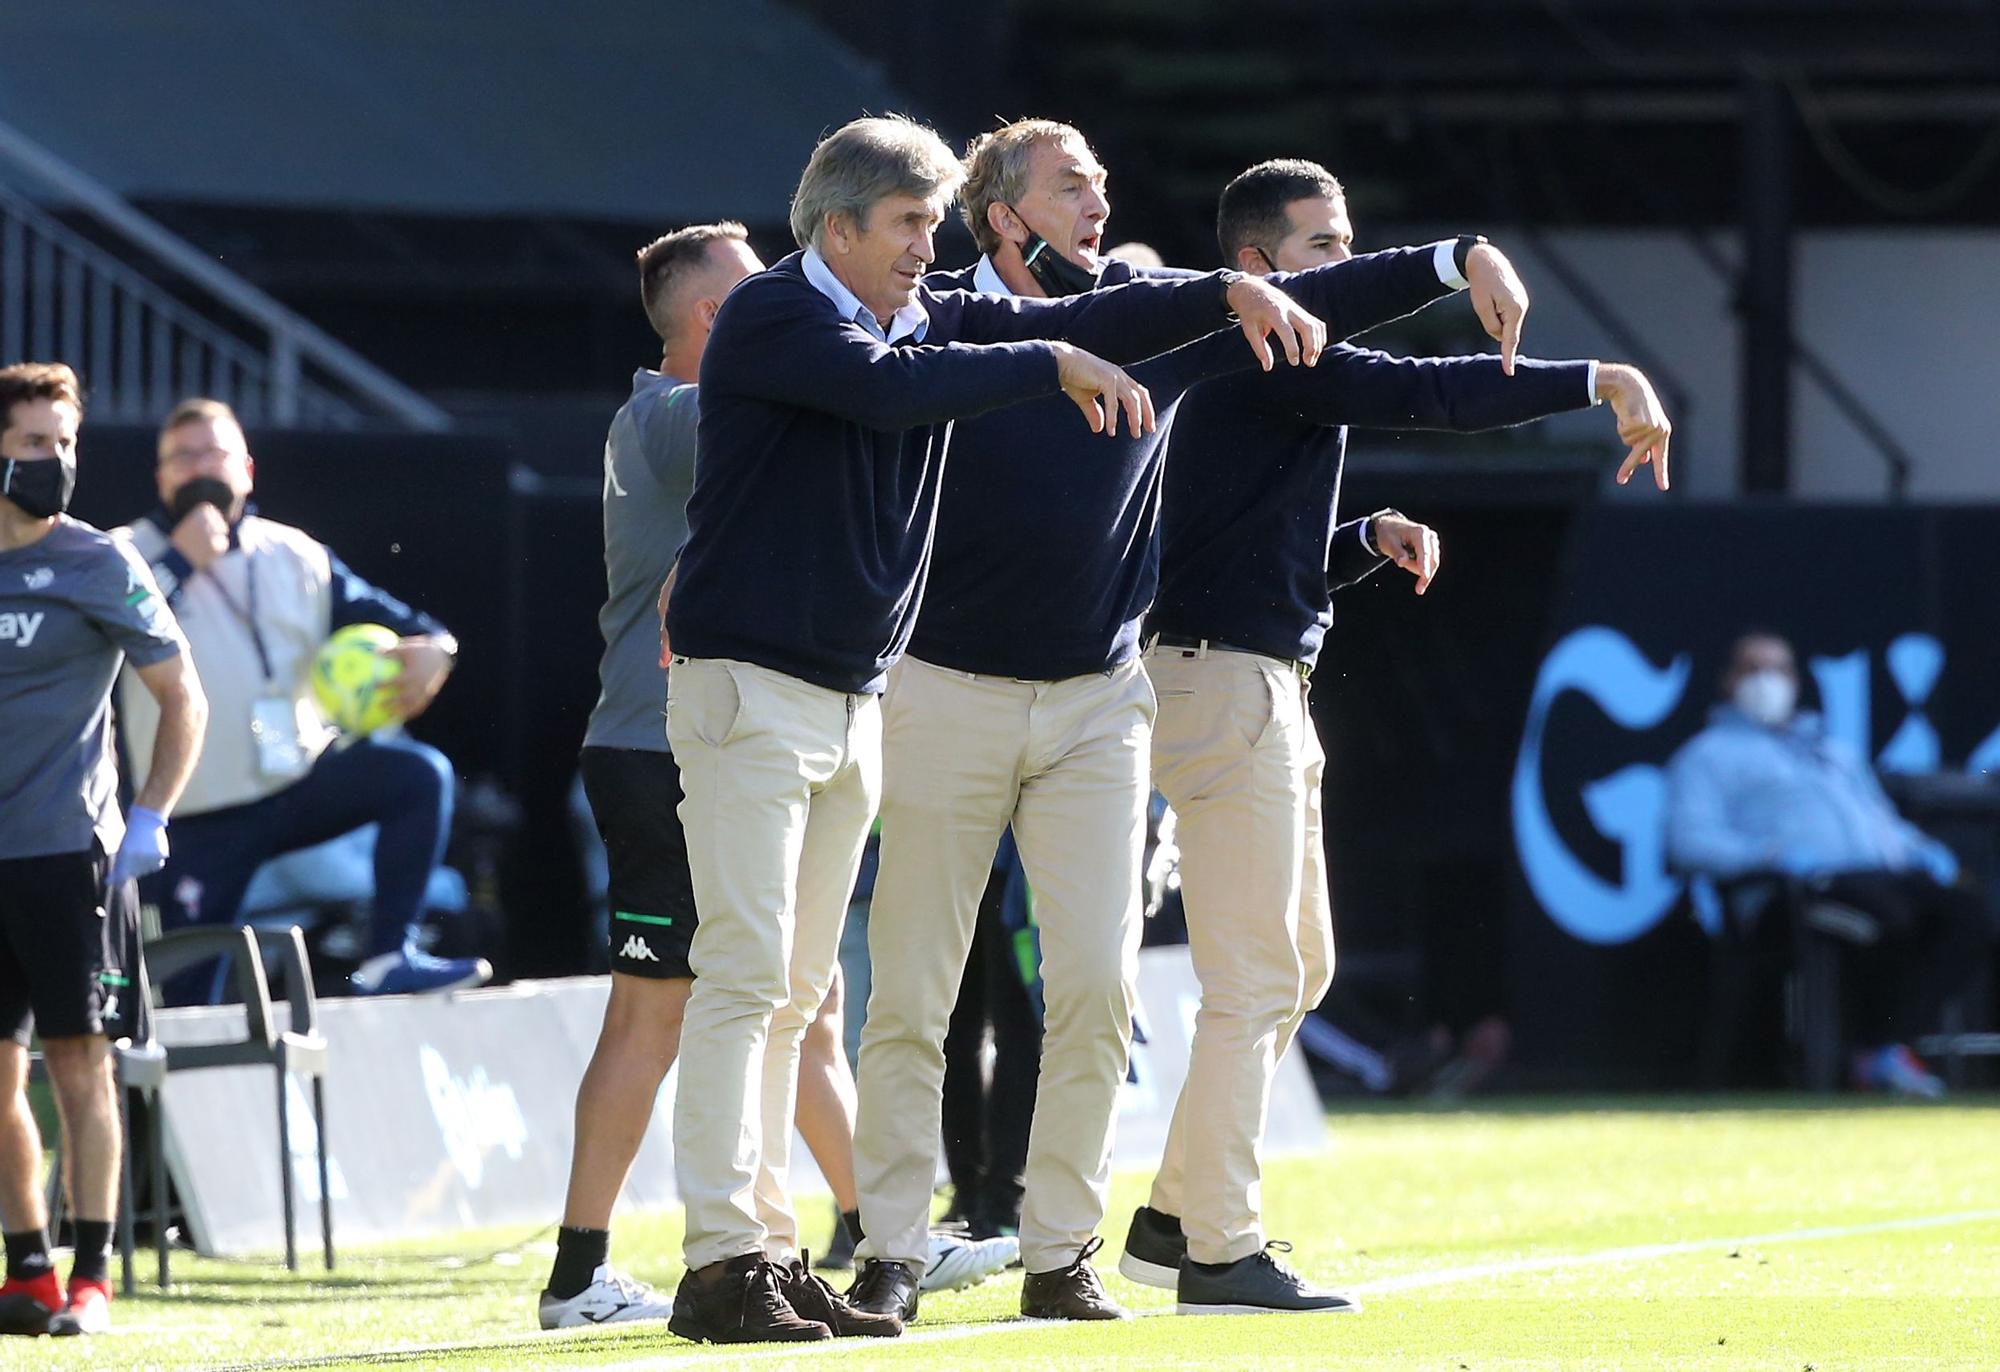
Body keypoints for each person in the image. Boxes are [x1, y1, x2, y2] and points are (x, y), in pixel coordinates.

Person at [660, 112, 1329, 1345]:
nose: (929, 245)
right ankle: (738, 1257)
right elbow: (888, 392)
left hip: (856, 696)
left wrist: (1391, 271)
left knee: (812, 986)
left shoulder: (912, 316)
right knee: (768, 981)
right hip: (769, 687)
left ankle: (849, 1250)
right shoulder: (779, 313)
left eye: (933, 221)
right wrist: (1052, 364)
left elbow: (1064, 330)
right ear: (839, 223)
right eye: (909, 223)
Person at [851, 119, 1530, 1325]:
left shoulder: (1137, 310)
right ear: (1003, 216)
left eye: (1104, 183)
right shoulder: (943, 317)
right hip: (945, 689)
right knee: (914, 989)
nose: (1097, 202)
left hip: (1101, 700)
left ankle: (1061, 1255)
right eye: (1071, 188)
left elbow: (1305, 298)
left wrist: (1448, 258)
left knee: (1098, 995)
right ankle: (893, 1245)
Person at [1118, 157, 1674, 1315]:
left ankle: (1175, 1215)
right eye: (1325, 248)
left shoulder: (1257, 358)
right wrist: (1598, 375)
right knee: (1258, 975)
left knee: (1297, 969)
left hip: (1248, 677)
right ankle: (1216, 1247)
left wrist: (1356, 533)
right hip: (1221, 688)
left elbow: (1229, 551)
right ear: (1257, 264)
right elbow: (1433, 394)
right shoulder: (1260, 341)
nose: (1343, 266)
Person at [538, 222, 1013, 1330]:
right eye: (764, 296)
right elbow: (853, 401)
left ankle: (870, 1227)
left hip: (722, 733)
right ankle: (579, 1269)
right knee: (657, 1009)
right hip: (662, 741)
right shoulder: (670, 415)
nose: (793, 310)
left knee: (799, 999)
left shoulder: (706, 404)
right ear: (718, 320)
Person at [116, 399, 485, 1000]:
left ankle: (391, 953)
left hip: (297, 781)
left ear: (248, 469)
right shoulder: (122, 554)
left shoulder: (294, 552)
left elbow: (408, 623)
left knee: (419, 777)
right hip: (199, 814)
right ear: (160, 477)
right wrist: (181, 560)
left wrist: (438, 649)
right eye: (183, 457)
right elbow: (111, 636)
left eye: (215, 453)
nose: (200, 468)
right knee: (189, 1001)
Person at [0, 362, 207, 1339]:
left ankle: (92, 1274)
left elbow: (182, 697)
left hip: (67, 854)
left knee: (80, 1064)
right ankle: (28, 1271)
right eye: (37, 443)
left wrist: (151, 813)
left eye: (66, 443)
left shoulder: (98, 561)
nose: (57, 462)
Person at [1665, 631, 1989, 1096]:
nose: (1766, 681)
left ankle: (1884, 1048)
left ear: (1796, 679)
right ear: (1728, 679)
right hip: (1795, 890)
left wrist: (1922, 852)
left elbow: (1880, 821)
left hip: (1878, 878)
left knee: (1965, 914)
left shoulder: (1832, 752)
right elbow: (1688, 843)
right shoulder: (1705, 757)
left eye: (1778, 669)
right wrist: (1770, 856)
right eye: (1753, 668)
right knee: (1887, 915)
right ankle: (1866, 1054)